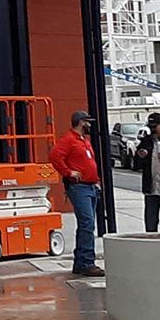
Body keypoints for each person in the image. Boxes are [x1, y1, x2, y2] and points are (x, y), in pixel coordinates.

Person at [50, 109, 104, 277]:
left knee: (87, 224)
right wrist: (68, 172)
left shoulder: (83, 141)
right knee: (87, 223)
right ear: (82, 123)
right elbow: (54, 156)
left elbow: (88, 162)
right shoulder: (69, 140)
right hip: (79, 187)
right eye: (88, 122)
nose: (90, 126)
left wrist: (95, 181)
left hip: (89, 186)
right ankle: (86, 261)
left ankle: (82, 261)